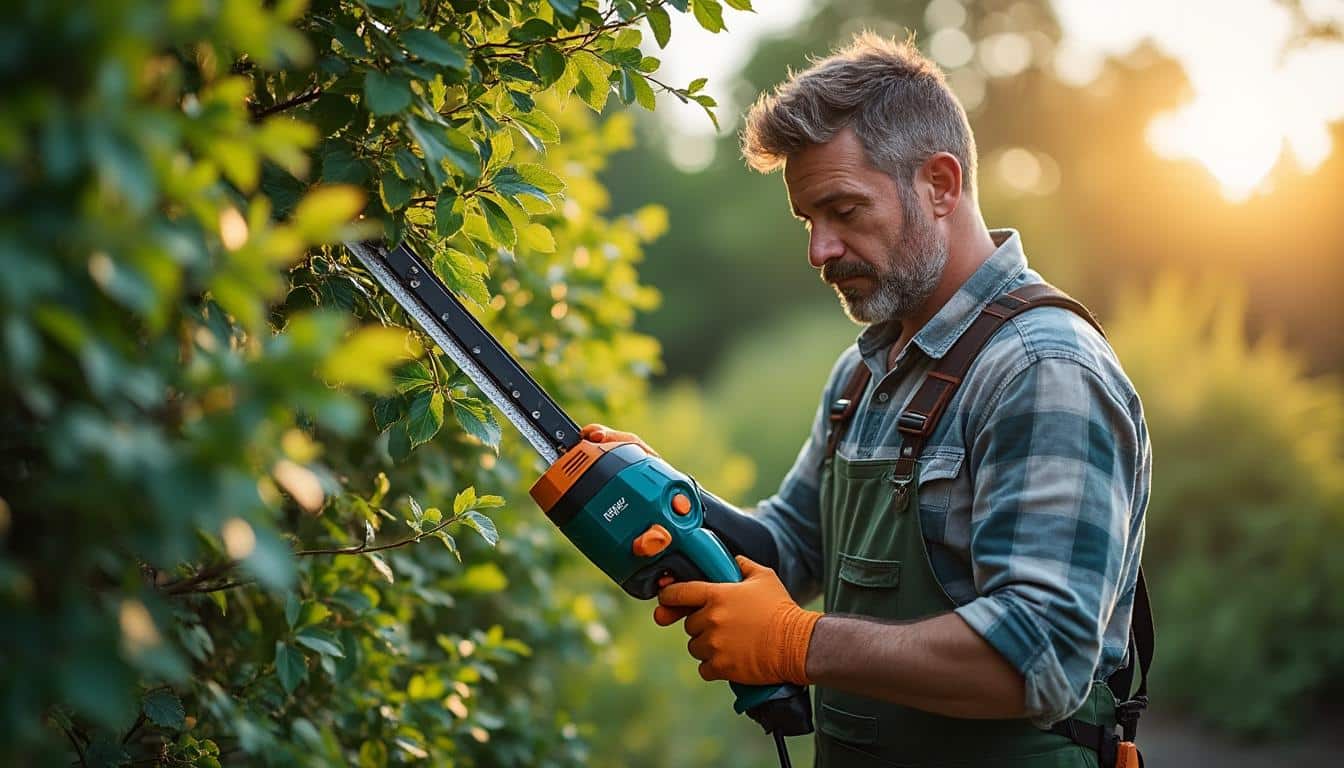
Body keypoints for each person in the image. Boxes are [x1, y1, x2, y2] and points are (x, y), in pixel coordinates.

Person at [584, 32, 1151, 767]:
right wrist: (661, 495)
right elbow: (788, 549)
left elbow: (1039, 654)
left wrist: (797, 641)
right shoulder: (865, 374)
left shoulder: (1042, 369)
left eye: (844, 210)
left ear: (941, 185)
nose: (819, 250)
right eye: (809, 221)